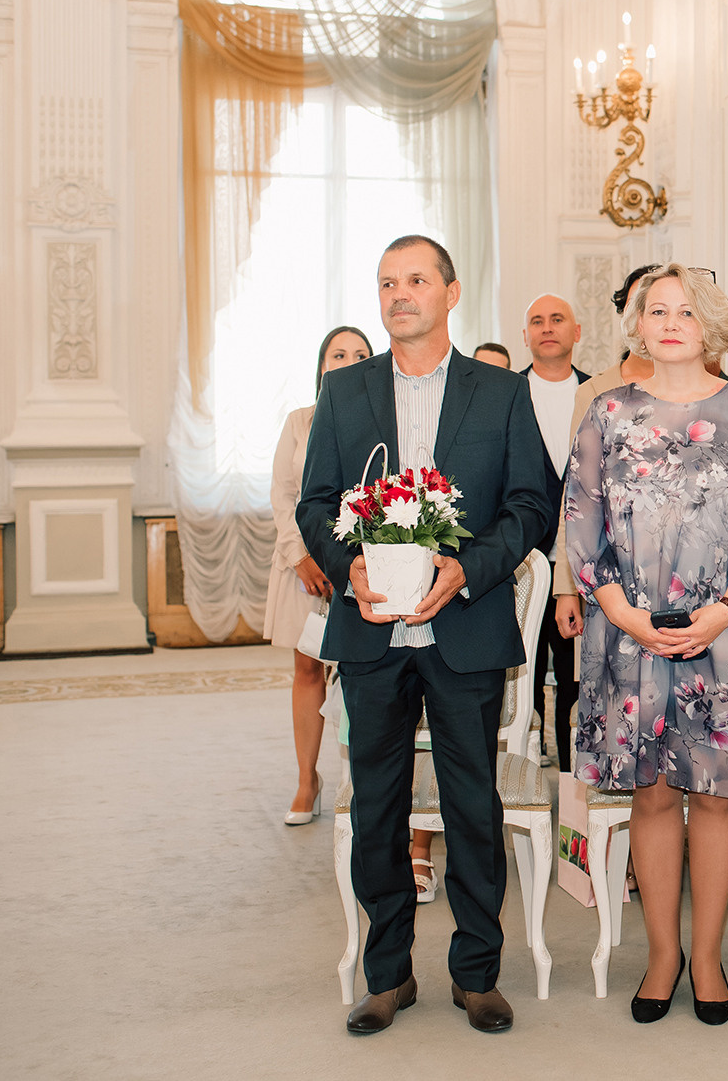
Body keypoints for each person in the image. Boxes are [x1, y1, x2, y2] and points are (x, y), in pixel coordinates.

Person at [298, 234, 557, 1037]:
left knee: (472, 804)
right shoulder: (345, 393)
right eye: (386, 282)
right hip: (371, 632)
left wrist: (467, 569)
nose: (399, 293)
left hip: (465, 628)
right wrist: (350, 572)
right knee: (375, 805)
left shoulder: (499, 391)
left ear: (450, 292)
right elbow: (315, 503)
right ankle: (387, 976)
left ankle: (476, 972)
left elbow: (531, 504)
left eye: (416, 279)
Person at [564, 264, 728, 1026]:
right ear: (636, 323)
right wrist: (625, 615)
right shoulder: (606, 412)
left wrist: (725, 607)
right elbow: (581, 524)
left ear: (712, 324)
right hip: (628, 633)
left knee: (715, 797)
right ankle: (661, 954)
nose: (670, 321)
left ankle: (706, 956)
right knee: (653, 793)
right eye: (655, 309)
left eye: (686, 311)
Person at [271, 325, 372, 826]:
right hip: (304, 570)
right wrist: (303, 558)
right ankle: (306, 779)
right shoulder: (299, 421)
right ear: (322, 364)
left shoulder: (380, 418)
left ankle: (361, 782)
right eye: (339, 354)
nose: (349, 361)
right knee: (309, 670)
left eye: (360, 354)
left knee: (362, 676)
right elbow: (283, 497)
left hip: (362, 569)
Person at [549, 265, 661, 642]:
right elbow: (578, 495)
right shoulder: (595, 392)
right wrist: (566, 587)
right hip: (610, 571)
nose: (651, 318)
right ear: (627, 317)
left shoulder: (702, 389)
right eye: (641, 306)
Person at [519, 294, 589, 769]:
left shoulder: (598, 395)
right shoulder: (503, 393)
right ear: (525, 335)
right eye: (536, 321)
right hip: (515, 569)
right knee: (515, 689)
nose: (547, 327)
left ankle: (573, 807)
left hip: (577, 573)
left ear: (576, 331)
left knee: (574, 689)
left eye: (557, 319)